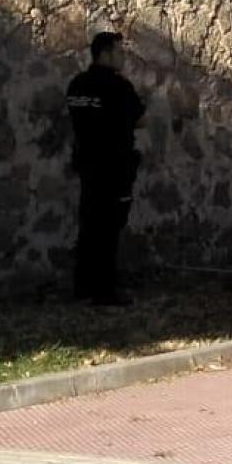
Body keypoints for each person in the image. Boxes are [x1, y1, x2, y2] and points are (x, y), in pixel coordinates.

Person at [66, 32, 145, 306]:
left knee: (89, 224)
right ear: (105, 53)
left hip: (87, 164)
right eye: (119, 51)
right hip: (114, 166)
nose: (123, 56)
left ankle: (83, 286)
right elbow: (139, 117)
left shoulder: (77, 85)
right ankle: (105, 290)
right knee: (110, 228)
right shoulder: (118, 87)